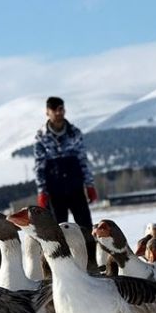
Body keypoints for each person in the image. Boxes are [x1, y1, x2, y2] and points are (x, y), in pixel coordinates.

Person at [33, 96, 98, 229]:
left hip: (76, 188)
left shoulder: (75, 133)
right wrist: (42, 191)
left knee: (86, 228)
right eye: (54, 110)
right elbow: (39, 166)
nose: (58, 113)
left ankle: (89, 249)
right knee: (57, 230)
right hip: (54, 191)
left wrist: (89, 185)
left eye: (61, 109)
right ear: (47, 112)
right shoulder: (41, 137)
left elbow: (83, 160)